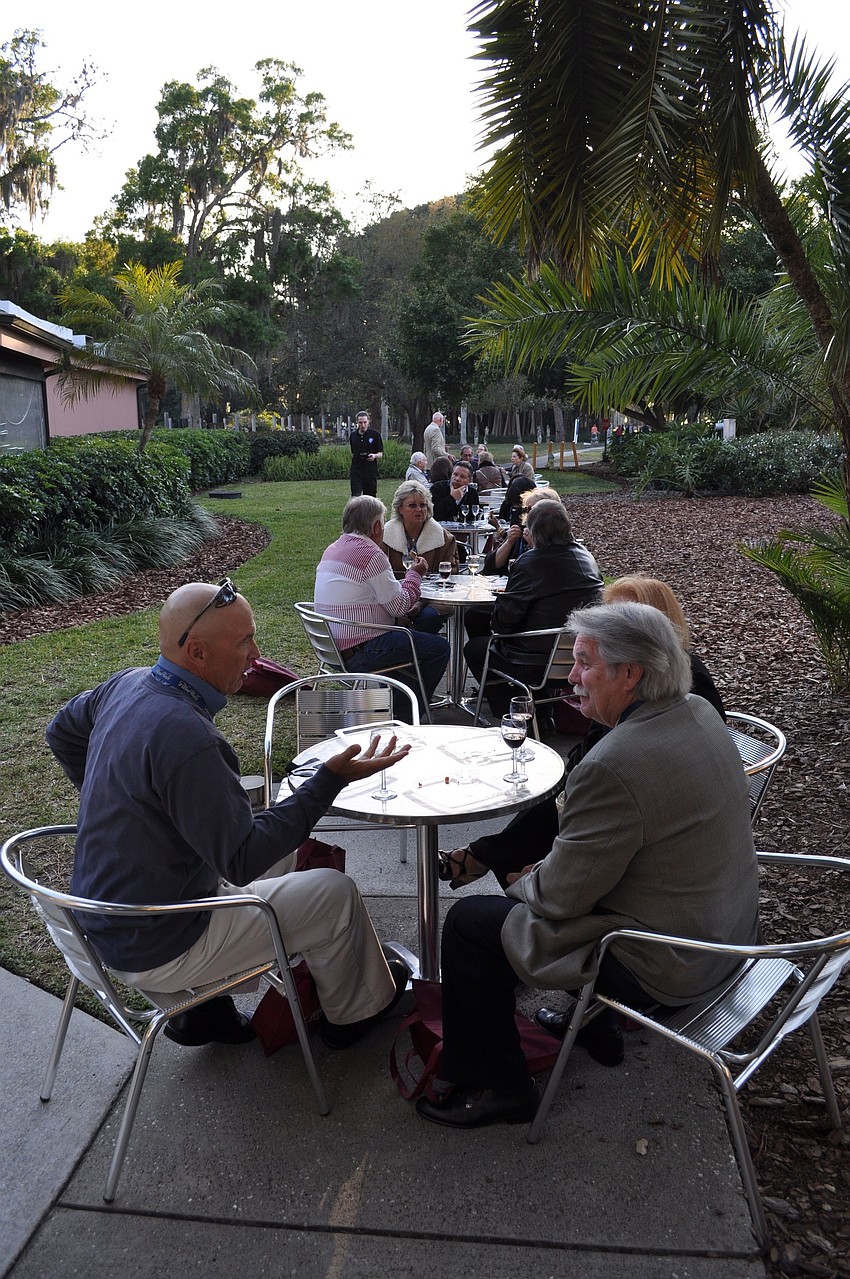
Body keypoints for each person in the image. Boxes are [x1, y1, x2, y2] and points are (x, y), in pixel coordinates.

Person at [415, 602, 759, 1129]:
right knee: (543, 891)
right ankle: (594, 1025)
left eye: (582, 663)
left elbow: (560, 899)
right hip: (726, 932)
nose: (570, 677)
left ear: (630, 675)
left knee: (469, 926)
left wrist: (523, 880)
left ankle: (500, 1086)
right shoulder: (698, 711)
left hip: (672, 964)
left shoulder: (615, 762)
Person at [46, 581, 413, 1053]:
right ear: (197, 653)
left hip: (104, 917)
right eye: (244, 642)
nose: (256, 655)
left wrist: (125, 804)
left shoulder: (128, 684)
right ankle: (356, 1012)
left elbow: (62, 733)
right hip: (161, 939)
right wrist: (328, 779)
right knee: (333, 893)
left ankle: (205, 1013)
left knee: (289, 853)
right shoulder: (189, 737)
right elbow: (242, 860)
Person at [441, 576, 725, 891]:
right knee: (568, 784)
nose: (611, 629)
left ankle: (484, 858)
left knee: (468, 922)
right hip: (626, 826)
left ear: (656, 627)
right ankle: (485, 855)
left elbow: (579, 882)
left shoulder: (685, 692)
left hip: (651, 845)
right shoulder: (622, 691)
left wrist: (537, 884)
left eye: (623, 620)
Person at [464, 500, 603, 719]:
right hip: (576, 654)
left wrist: (501, 600)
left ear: (534, 531)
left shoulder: (530, 562)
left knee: (474, 648)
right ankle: (537, 708)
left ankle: (510, 711)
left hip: (532, 660)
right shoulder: (587, 557)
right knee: (474, 616)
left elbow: (504, 623)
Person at [314, 495, 450, 719]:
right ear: (377, 526)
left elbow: (368, 593)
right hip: (362, 650)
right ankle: (405, 715)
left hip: (331, 647)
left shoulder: (333, 549)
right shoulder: (371, 554)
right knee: (438, 648)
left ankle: (396, 704)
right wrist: (414, 575)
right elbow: (400, 606)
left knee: (411, 642)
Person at [381, 481, 458, 634]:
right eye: (412, 505)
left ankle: (420, 652)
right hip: (392, 598)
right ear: (399, 509)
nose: (419, 510)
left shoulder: (444, 538)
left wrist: (420, 602)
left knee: (427, 619)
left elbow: (450, 577)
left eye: (423, 505)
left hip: (432, 600)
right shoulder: (384, 537)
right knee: (391, 617)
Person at [349, 410, 383, 497]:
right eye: (360, 423)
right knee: (356, 496)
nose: (363, 425)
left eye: (365, 422)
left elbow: (380, 453)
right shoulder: (353, 436)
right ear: (357, 423)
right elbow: (353, 452)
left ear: (368, 422)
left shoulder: (375, 435)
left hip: (370, 471)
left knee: (370, 497)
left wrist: (374, 456)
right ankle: (356, 511)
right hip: (356, 470)